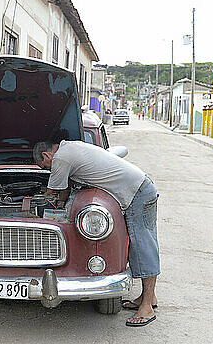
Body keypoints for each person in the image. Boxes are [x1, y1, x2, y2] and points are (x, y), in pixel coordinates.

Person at [33, 140, 159, 327]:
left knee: (142, 246)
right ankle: (148, 298)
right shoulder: (70, 147)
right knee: (140, 245)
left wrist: (36, 201)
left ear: (46, 156)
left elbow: (54, 191)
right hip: (139, 188)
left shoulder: (60, 158)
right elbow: (65, 191)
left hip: (137, 193)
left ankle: (147, 307)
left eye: (45, 167)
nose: (48, 169)